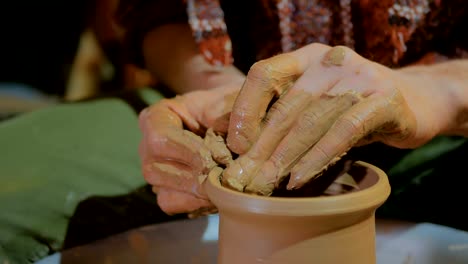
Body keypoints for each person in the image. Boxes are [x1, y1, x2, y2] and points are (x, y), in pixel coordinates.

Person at [118, 0, 468, 221]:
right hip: (233, 86)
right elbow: (157, 14)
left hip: (444, 123)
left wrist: (434, 93)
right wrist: (223, 91)